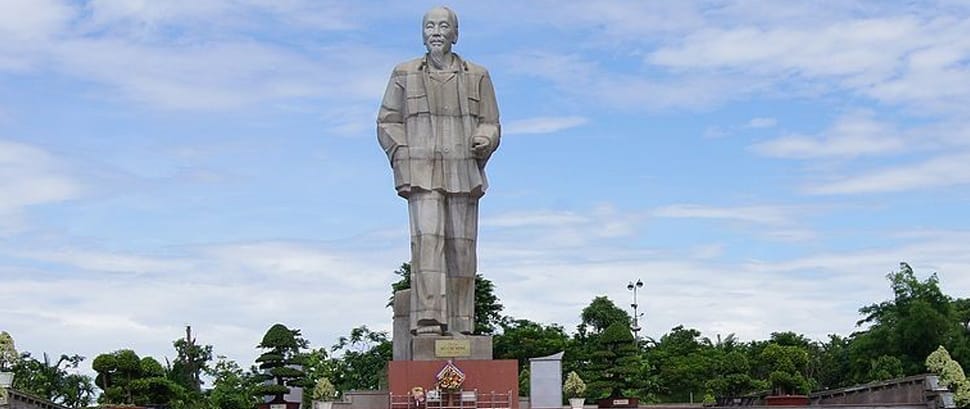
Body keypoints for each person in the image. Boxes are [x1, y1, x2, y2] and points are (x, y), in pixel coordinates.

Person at [377, 6, 500, 336]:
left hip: (463, 170)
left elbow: (491, 122)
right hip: (422, 171)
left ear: (455, 34)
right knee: (427, 241)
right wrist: (403, 152)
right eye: (429, 26)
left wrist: (484, 139)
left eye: (443, 26)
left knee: (461, 249)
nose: (436, 31)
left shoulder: (478, 75)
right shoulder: (403, 73)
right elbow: (387, 121)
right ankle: (428, 319)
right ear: (422, 33)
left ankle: (462, 324)